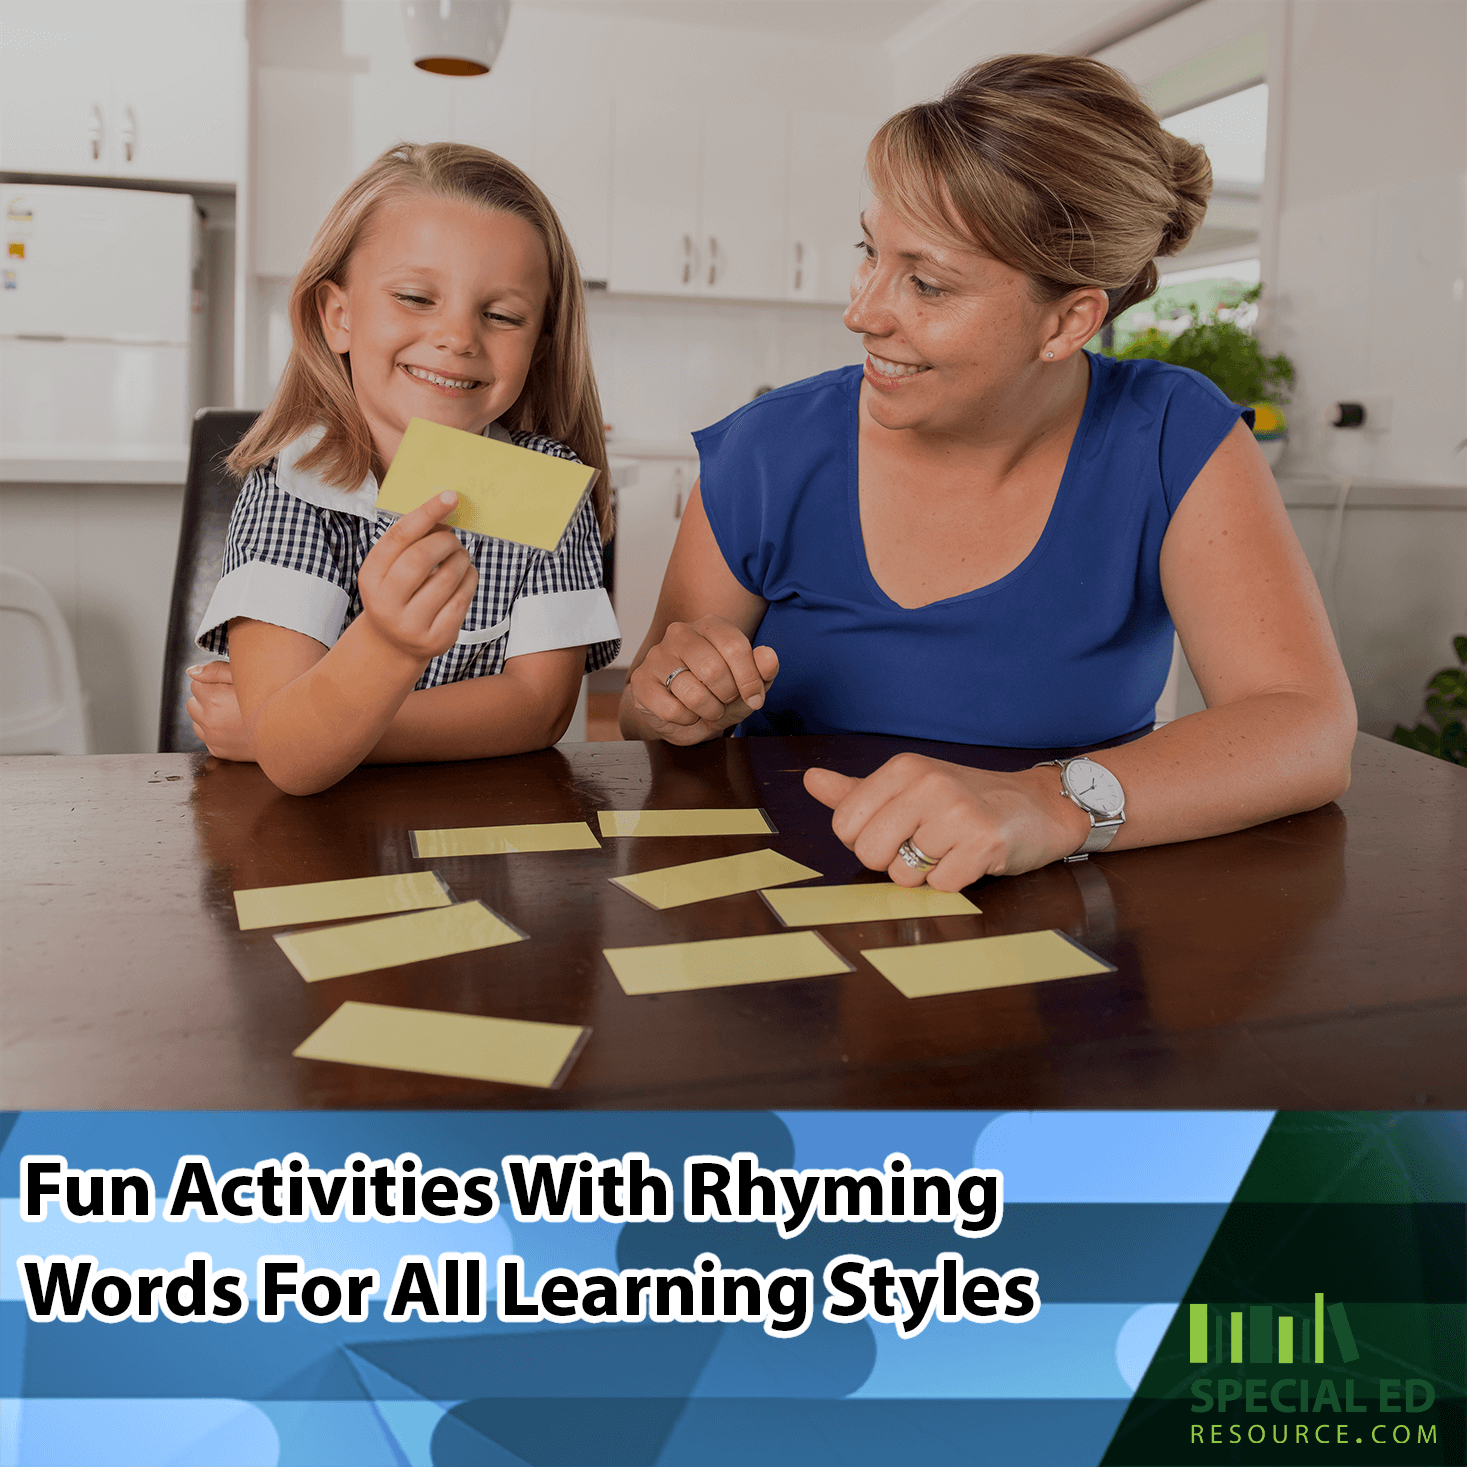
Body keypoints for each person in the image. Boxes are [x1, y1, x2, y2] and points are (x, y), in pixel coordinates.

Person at [620, 54, 1355, 889]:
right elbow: (647, 716)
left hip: (1060, 908)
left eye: (926, 284)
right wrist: (673, 700)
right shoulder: (766, 448)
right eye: (870, 252)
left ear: (1068, 319)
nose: (860, 312)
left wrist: (1048, 806)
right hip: (789, 909)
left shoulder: (1170, 434)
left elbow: (1304, 726)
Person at [187, 143, 619, 795]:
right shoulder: (292, 488)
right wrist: (386, 647)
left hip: (491, 848)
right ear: (339, 316)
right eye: (417, 297)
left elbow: (540, 709)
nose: (458, 336)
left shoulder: (547, 485)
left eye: (501, 315)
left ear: (538, 344)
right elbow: (296, 760)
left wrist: (292, 730)